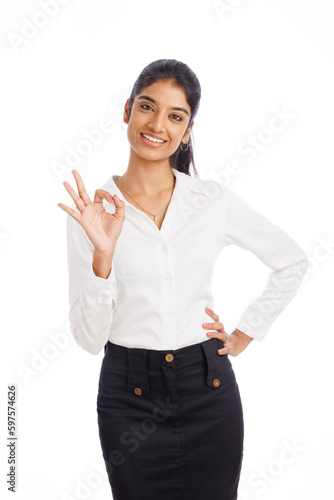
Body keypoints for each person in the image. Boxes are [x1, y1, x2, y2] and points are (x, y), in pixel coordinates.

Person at [57, 59, 309, 500]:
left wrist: (248, 331)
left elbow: (291, 261)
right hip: (128, 394)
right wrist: (103, 255)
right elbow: (88, 339)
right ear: (126, 111)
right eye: (147, 107)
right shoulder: (93, 213)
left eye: (175, 116)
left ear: (188, 130)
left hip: (208, 389)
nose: (158, 125)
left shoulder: (211, 201)